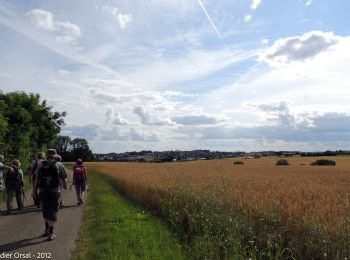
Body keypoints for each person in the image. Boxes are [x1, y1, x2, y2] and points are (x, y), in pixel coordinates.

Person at [32, 149, 67, 241]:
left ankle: (46, 228)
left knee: (45, 209)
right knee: (53, 210)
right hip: (55, 191)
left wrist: (34, 191)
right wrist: (65, 185)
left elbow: (36, 179)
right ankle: (51, 233)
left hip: (43, 191)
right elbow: (64, 178)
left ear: (46, 155)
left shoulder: (40, 164)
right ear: (55, 156)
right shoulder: (59, 164)